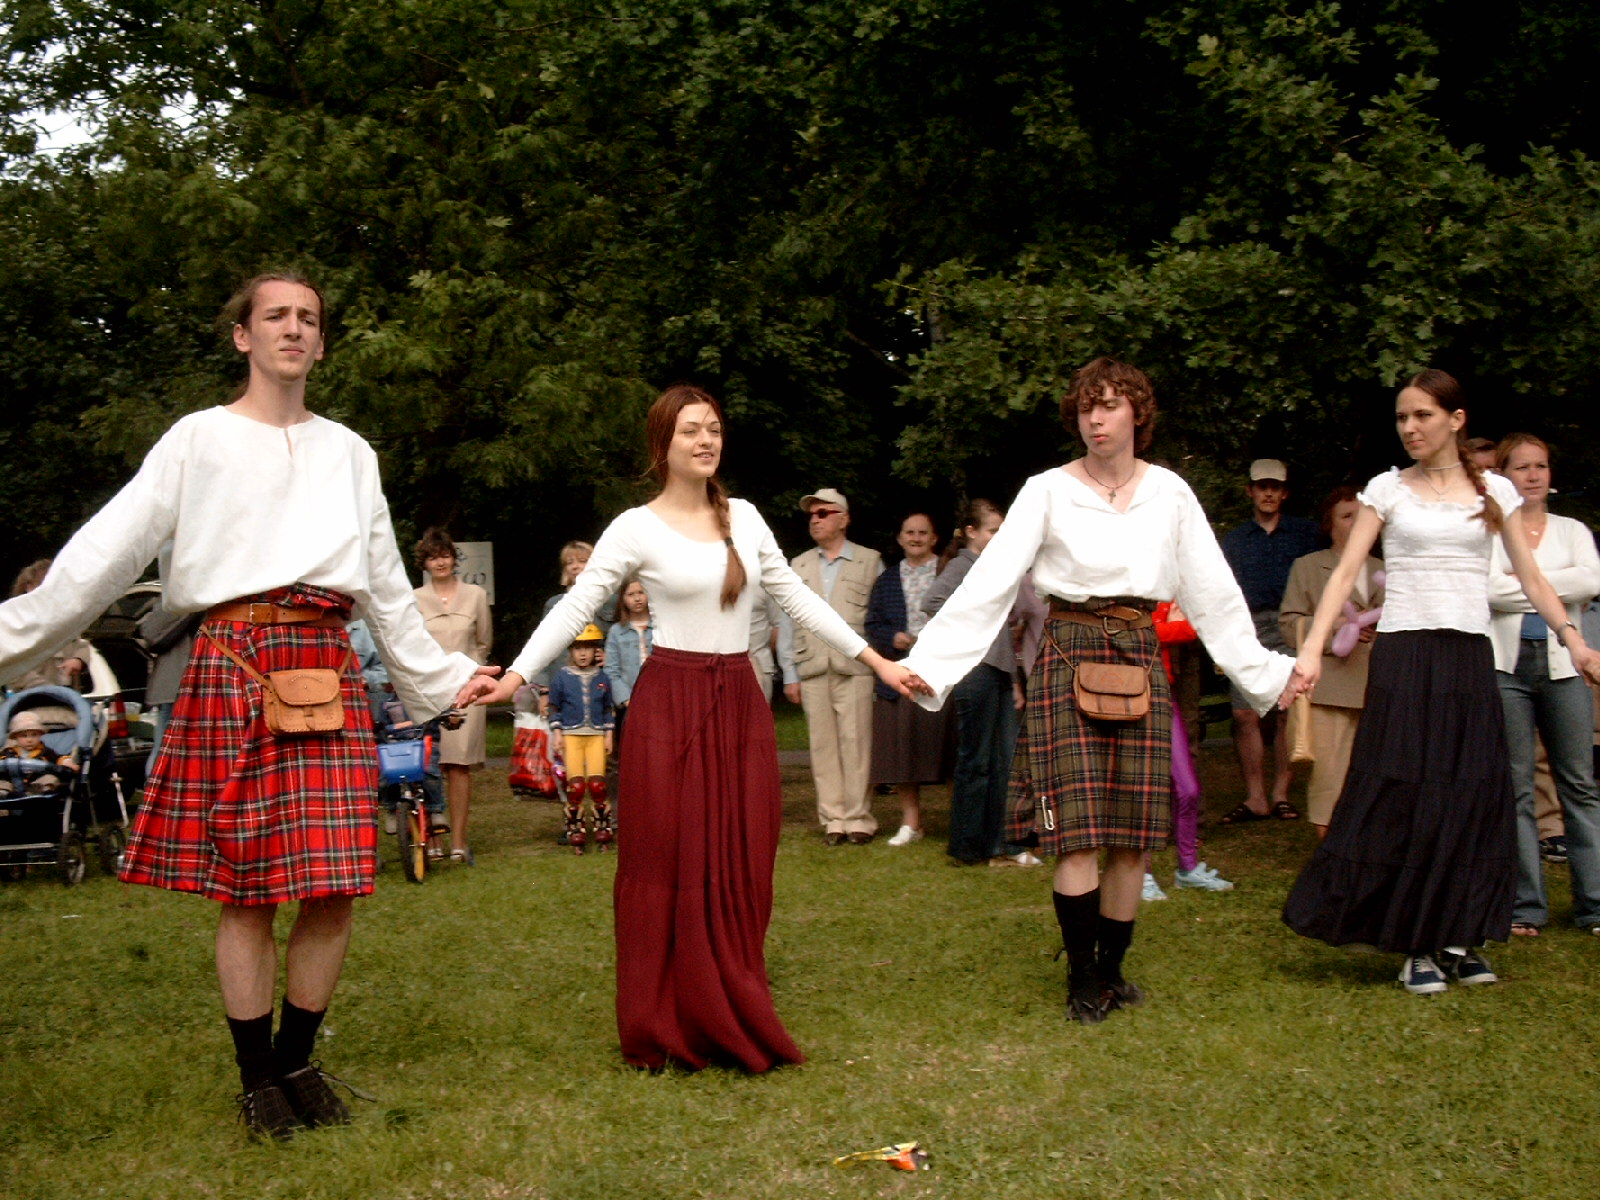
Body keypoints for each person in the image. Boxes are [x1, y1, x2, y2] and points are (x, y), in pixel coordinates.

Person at [0, 272, 489, 1139]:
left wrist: (443, 681)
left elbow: (383, 582)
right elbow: (103, 555)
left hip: (328, 668)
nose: (293, 329)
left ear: (321, 342)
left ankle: (298, 1061)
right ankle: (257, 1080)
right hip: (235, 666)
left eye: (308, 318)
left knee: (335, 885)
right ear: (244, 336)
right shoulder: (197, 439)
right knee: (249, 887)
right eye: (276, 316)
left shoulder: (350, 451)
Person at [464, 385, 912, 1071]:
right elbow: (579, 605)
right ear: (662, 444)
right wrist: (516, 674)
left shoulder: (747, 519)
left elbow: (795, 598)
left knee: (743, 854)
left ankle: (731, 996)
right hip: (669, 702)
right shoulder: (635, 527)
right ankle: (662, 1014)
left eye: (713, 430)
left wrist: (876, 660)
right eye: (690, 431)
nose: (706, 441)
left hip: (739, 700)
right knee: (664, 859)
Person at [900, 357, 1297, 1023]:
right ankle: (1082, 977)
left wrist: (1267, 674)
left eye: (1109, 405)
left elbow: (1214, 593)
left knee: (1133, 835)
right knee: (1077, 834)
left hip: (1139, 653)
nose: (1096, 419)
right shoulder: (1047, 491)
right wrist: (933, 664)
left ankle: (1112, 969)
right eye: (1086, 408)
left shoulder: (1169, 492)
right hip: (1068, 653)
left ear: (1137, 411)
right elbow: (991, 580)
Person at [1282, 371, 1600, 995]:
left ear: (1456, 419)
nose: (1410, 428)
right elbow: (1346, 573)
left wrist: (1576, 641)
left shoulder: (1495, 491)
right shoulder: (1386, 490)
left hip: (1469, 656)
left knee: (1470, 793)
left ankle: (1460, 936)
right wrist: (1311, 652)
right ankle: (1415, 942)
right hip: (1404, 656)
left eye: (1422, 415)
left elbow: (1533, 579)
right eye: (1402, 417)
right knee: (1407, 791)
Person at [1487, 433, 1600, 937]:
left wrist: (1527, 580)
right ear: (1503, 476)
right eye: (1521, 467)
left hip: (1564, 666)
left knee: (1579, 784)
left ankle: (1594, 904)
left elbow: (1591, 582)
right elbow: (1488, 590)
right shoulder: (1490, 533)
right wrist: (1552, 583)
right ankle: (1526, 906)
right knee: (1516, 789)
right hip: (1506, 668)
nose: (1533, 475)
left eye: (1541, 466)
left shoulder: (1573, 530)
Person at [922, 499, 1040, 867]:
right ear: (971, 532)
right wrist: (971, 629)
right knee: (977, 762)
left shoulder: (990, 566)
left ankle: (1003, 844)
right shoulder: (962, 566)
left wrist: (1013, 677)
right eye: (993, 530)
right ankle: (968, 848)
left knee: (1004, 761)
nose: (999, 536)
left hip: (999, 670)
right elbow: (932, 601)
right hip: (977, 671)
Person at [1278, 487, 1386, 839]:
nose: (1356, 523)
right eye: (1346, 516)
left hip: (1380, 688)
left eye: (1362, 515)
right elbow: (1288, 625)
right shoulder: (1308, 567)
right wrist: (1333, 627)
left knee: (1376, 776)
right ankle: (1329, 852)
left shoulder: (1387, 570)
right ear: (1329, 524)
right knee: (1329, 779)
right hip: (1329, 689)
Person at [1219, 459, 1323, 823]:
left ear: (1284, 493)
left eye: (1274, 487)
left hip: (1290, 622)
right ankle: (1255, 797)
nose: (1268, 493)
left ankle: (1281, 794)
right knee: (1244, 712)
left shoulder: (1306, 534)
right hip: (1247, 627)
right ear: (1250, 491)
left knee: (1286, 712)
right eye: (1262, 486)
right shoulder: (1235, 540)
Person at [784, 488, 884, 845]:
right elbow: (787, 622)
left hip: (855, 668)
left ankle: (859, 819)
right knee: (822, 747)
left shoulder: (870, 561)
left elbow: (879, 617)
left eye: (823, 513)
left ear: (844, 519)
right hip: (812, 666)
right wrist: (790, 673)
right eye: (812, 514)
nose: (815, 519)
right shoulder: (798, 565)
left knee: (857, 745)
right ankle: (833, 821)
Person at [866, 512, 948, 845]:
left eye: (922, 533)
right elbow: (872, 624)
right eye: (909, 532)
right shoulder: (887, 579)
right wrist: (892, 638)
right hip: (900, 673)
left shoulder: (948, 572)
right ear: (900, 538)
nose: (915, 538)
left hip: (943, 672)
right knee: (902, 750)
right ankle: (911, 823)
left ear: (934, 538)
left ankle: (962, 818)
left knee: (949, 747)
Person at [412, 527, 493, 865]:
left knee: (459, 765)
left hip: (467, 689)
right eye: (433, 557)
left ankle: (459, 842)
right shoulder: (414, 600)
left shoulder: (475, 595)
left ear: (454, 558)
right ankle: (430, 839)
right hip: (428, 690)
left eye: (445, 555)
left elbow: (483, 641)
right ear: (425, 562)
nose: (440, 562)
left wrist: (471, 676)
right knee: (427, 764)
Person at [548, 623, 616, 852]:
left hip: (596, 735)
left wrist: (609, 734)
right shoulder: (562, 677)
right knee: (576, 786)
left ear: (595, 650)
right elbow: (554, 707)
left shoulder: (602, 677)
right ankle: (575, 829)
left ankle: (603, 827)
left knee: (597, 785)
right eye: (578, 648)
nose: (583, 654)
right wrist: (557, 733)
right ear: (571, 651)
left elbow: (607, 708)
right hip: (571, 735)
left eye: (587, 648)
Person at [605, 576, 654, 753]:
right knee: (634, 750)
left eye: (641, 592)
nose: (637, 598)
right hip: (631, 702)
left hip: (660, 699)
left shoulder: (661, 627)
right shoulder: (616, 631)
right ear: (623, 599)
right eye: (630, 594)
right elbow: (611, 670)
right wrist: (626, 700)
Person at [0, 709, 79, 795]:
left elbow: (58, 758)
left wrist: (66, 761)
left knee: (50, 778)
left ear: (40, 735)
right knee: (2, 782)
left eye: (34, 735)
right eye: (24, 736)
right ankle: (3, 793)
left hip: (36, 783)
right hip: (12, 784)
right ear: (16, 737)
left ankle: (43, 791)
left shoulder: (45, 751)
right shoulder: (9, 752)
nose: (29, 740)